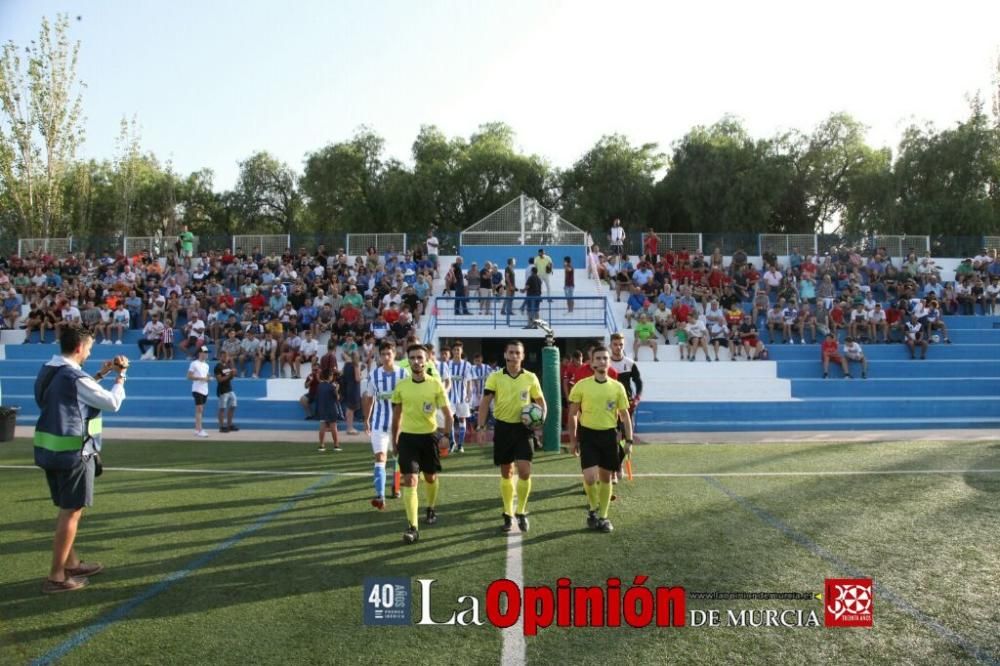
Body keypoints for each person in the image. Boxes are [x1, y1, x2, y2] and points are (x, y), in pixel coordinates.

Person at [33, 327, 128, 593]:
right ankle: (56, 577)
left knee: (67, 508)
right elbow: (112, 403)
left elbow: (68, 394)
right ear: (78, 348)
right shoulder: (74, 376)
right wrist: (120, 376)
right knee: (71, 512)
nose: (89, 353)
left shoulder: (49, 368)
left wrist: (100, 374)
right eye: (89, 349)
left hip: (51, 448)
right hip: (76, 452)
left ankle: (71, 563)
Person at [476, 340, 546, 533]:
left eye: (518, 353)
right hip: (503, 429)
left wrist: (541, 420)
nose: (514, 356)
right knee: (506, 472)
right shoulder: (495, 377)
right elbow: (485, 403)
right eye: (511, 352)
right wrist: (481, 428)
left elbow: (540, 401)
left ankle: (522, 511)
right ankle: (508, 513)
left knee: (524, 471)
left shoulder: (530, 377)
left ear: (522, 356)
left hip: (524, 429)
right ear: (505, 355)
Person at [567, 345, 633, 533]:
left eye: (605, 358)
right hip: (588, 435)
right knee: (589, 478)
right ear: (592, 362)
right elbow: (572, 414)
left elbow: (624, 415)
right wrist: (573, 440)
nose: (602, 361)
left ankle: (602, 516)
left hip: (609, 436)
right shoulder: (582, 385)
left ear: (609, 361)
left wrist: (628, 441)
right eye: (599, 358)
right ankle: (593, 508)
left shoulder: (617, 387)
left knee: (606, 478)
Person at [391, 344, 453, 544]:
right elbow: (396, 416)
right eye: (413, 358)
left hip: (429, 437)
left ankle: (431, 507)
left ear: (427, 360)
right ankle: (413, 527)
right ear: (408, 361)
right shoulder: (401, 386)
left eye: (420, 357)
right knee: (410, 480)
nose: (416, 361)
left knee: (431, 477)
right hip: (408, 438)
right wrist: (394, 439)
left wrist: (446, 435)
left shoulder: (436, 384)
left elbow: (447, 414)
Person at [362, 341, 408, 508]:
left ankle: (396, 486)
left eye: (389, 354)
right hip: (379, 423)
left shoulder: (404, 374)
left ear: (394, 355)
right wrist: (367, 419)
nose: (386, 357)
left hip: (400, 424)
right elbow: (370, 398)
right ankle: (380, 496)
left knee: (399, 457)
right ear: (379, 356)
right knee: (380, 457)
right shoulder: (374, 375)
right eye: (383, 354)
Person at [448, 341, 474, 453]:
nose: (456, 352)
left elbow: (469, 381)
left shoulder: (467, 365)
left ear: (461, 351)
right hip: (450, 397)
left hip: (462, 396)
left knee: (462, 419)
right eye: (455, 350)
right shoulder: (447, 364)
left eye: (458, 350)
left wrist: (469, 394)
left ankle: (460, 445)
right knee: (449, 419)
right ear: (452, 351)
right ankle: (452, 442)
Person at [187, 345, 213, 437]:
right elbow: (189, 376)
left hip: (205, 389)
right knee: (200, 409)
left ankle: (197, 430)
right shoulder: (194, 363)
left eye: (206, 353)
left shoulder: (206, 365)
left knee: (200, 411)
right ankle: (200, 430)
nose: (206, 354)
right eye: (205, 353)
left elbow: (208, 376)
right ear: (200, 353)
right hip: (197, 389)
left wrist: (209, 378)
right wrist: (200, 378)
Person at [316, 369, 342, 452]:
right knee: (334, 427)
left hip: (322, 408)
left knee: (322, 427)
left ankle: (321, 445)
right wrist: (337, 389)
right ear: (330, 376)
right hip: (331, 409)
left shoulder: (319, 386)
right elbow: (337, 398)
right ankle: (336, 445)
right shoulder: (332, 387)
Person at [214, 350, 239, 432]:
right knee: (222, 408)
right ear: (220, 357)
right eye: (223, 356)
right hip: (222, 390)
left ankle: (229, 424)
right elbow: (219, 380)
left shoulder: (227, 366)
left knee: (233, 405)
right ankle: (221, 427)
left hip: (229, 389)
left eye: (226, 356)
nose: (225, 358)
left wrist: (233, 373)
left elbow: (231, 377)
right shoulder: (218, 366)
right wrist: (230, 375)